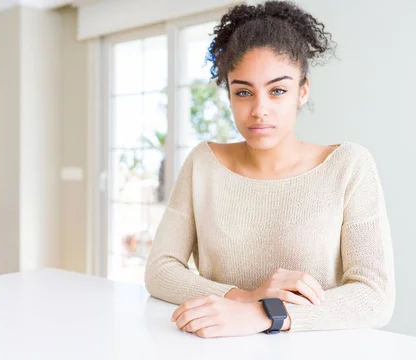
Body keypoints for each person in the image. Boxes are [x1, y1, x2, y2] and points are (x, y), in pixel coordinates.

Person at [144, 0, 395, 338]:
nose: (259, 110)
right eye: (244, 92)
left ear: (302, 91)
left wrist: (266, 314)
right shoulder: (203, 163)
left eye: (278, 90)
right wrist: (244, 298)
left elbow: (375, 296)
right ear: (230, 96)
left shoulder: (349, 166)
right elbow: (159, 270)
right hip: (213, 348)